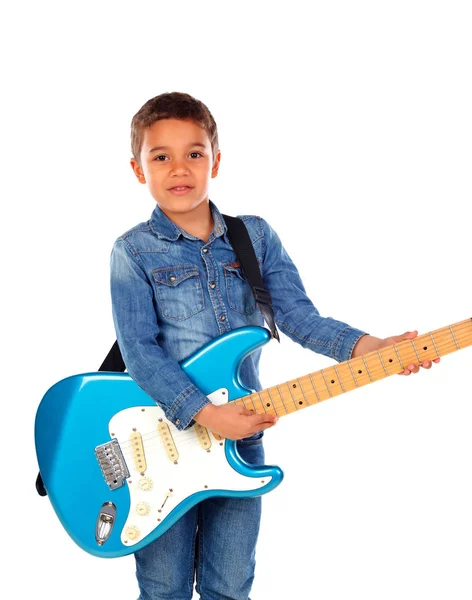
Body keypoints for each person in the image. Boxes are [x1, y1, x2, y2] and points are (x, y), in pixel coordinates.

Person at [110, 91, 439, 600]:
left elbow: (298, 317)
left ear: (216, 160)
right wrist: (204, 413)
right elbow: (139, 351)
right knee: (162, 587)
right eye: (161, 156)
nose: (180, 168)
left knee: (231, 584)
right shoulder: (132, 251)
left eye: (194, 153)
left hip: (243, 435)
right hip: (160, 442)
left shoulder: (255, 237)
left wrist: (369, 347)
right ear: (138, 169)